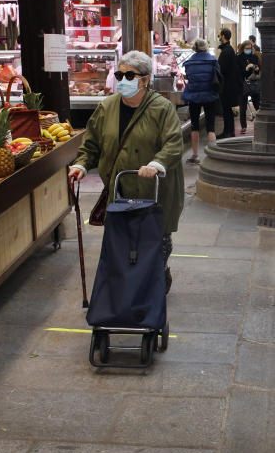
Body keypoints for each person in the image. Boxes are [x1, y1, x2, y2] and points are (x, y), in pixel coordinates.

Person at [69, 50, 184, 292]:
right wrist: (81, 164)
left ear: (144, 79)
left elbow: (174, 143)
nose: (122, 80)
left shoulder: (161, 108)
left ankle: (158, 274)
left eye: (129, 76)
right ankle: (127, 283)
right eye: (119, 74)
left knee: (156, 238)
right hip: (119, 186)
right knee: (121, 238)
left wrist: (156, 164)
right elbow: (92, 143)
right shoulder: (107, 107)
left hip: (154, 188)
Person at [181, 38, 220, 164]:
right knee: (211, 126)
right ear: (206, 47)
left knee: (194, 126)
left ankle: (195, 155)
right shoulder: (213, 61)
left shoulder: (188, 63)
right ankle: (213, 156)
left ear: (195, 48)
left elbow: (189, 77)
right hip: (210, 95)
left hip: (194, 96)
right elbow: (218, 76)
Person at [216, 28, 242, 138]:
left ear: (223, 36)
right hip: (229, 85)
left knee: (226, 110)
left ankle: (228, 132)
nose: (219, 38)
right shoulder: (229, 49)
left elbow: (222, 69)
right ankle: (228, 131)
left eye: (219, 36)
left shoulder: (226, 51)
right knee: (227, 110)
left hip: (227, 86)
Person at [237, 39, 261, 134]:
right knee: (242, 107)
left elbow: (257, 70)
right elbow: (238, 72)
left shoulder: (254, 57)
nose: (249, 50)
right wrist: (246, 69)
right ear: (243, 48)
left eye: (250, 48)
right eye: (247, 48)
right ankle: (243, 126)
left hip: (253, 83)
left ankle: (259, 123)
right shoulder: (238, 58)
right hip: (243, 83)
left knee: (257, 104)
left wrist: (256, 68)